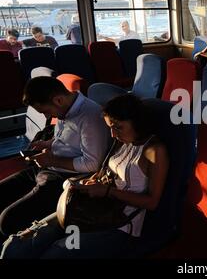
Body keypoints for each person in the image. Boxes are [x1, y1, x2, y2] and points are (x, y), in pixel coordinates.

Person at [1, 94, 170, 259]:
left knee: (54, 253)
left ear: (137, 122)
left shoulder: (154, 151)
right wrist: (92, 181)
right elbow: (107, 170)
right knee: (17, 246)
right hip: (94, 207)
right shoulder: (123, 139)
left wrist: (107, 191)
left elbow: (152, 202)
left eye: (117, 127)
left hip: (120, 224)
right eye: (110, 127)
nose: (112, 134)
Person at [0, 77, 110, 240]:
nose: (47, 116)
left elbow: (93, 164)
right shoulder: (65, 107)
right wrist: (47, 143)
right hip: (47, 167)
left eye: (45, 111)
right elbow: (66, 139)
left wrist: (52, 161)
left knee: (7, 220)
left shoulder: (89, 117)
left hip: (63, 178)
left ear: (58, 99)